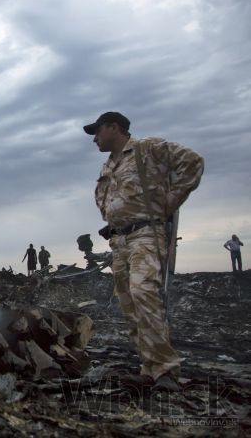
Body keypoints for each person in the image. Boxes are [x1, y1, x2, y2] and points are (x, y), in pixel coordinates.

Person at [84, 111, 204, 392]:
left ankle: (166, 370)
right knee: (130, 303)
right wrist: (112, 220)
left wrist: (168, 203)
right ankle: (149, 367)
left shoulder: (147, 148)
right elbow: (108, 200)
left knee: (144, 293)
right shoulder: (108, 166)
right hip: (120, 241)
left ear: (114, 127)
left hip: (146, 235)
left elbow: (193, 163)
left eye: (97, 131)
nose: (94, 138)